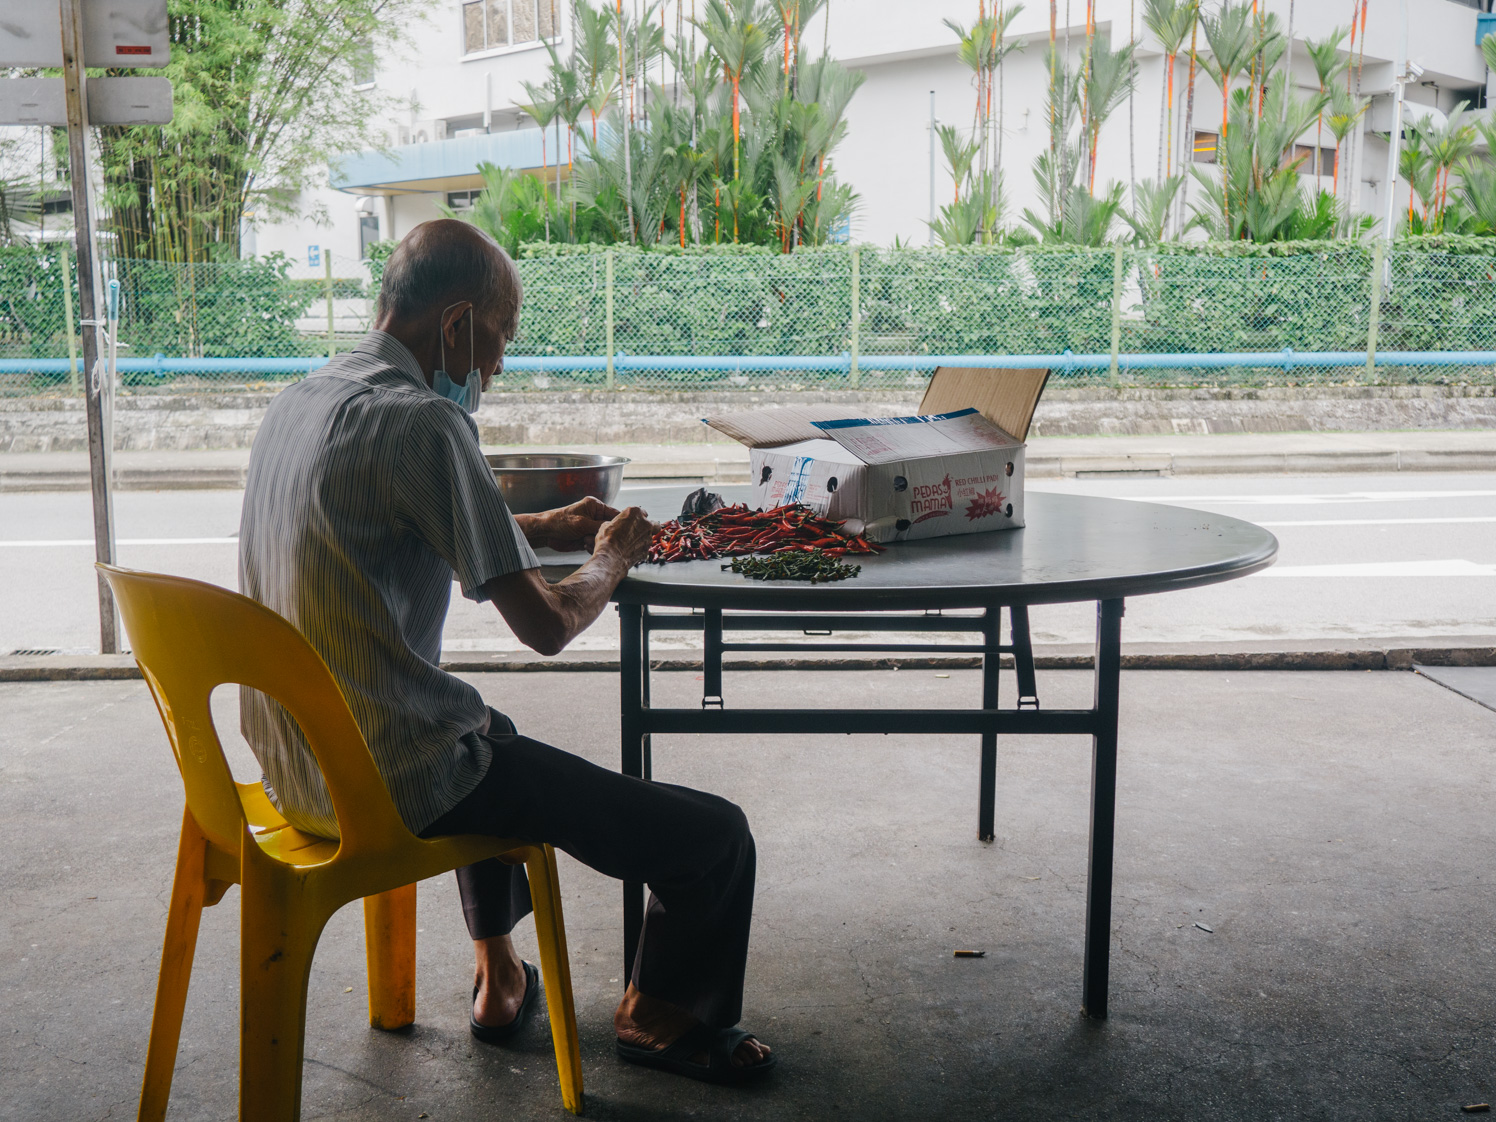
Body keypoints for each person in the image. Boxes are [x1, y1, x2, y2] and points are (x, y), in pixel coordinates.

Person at [237, 219, 773, 1083]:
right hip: (387, 782)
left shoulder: (302, 401)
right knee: (715, 838)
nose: (495, 368)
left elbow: (393, 524)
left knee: (489, 723)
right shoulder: (426, 426)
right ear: (456, 325)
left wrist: (542, 524)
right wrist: (610, 557)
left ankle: (498, 977)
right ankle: (662, 1013)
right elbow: (551, 624)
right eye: (498, 341)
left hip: (290, 766)